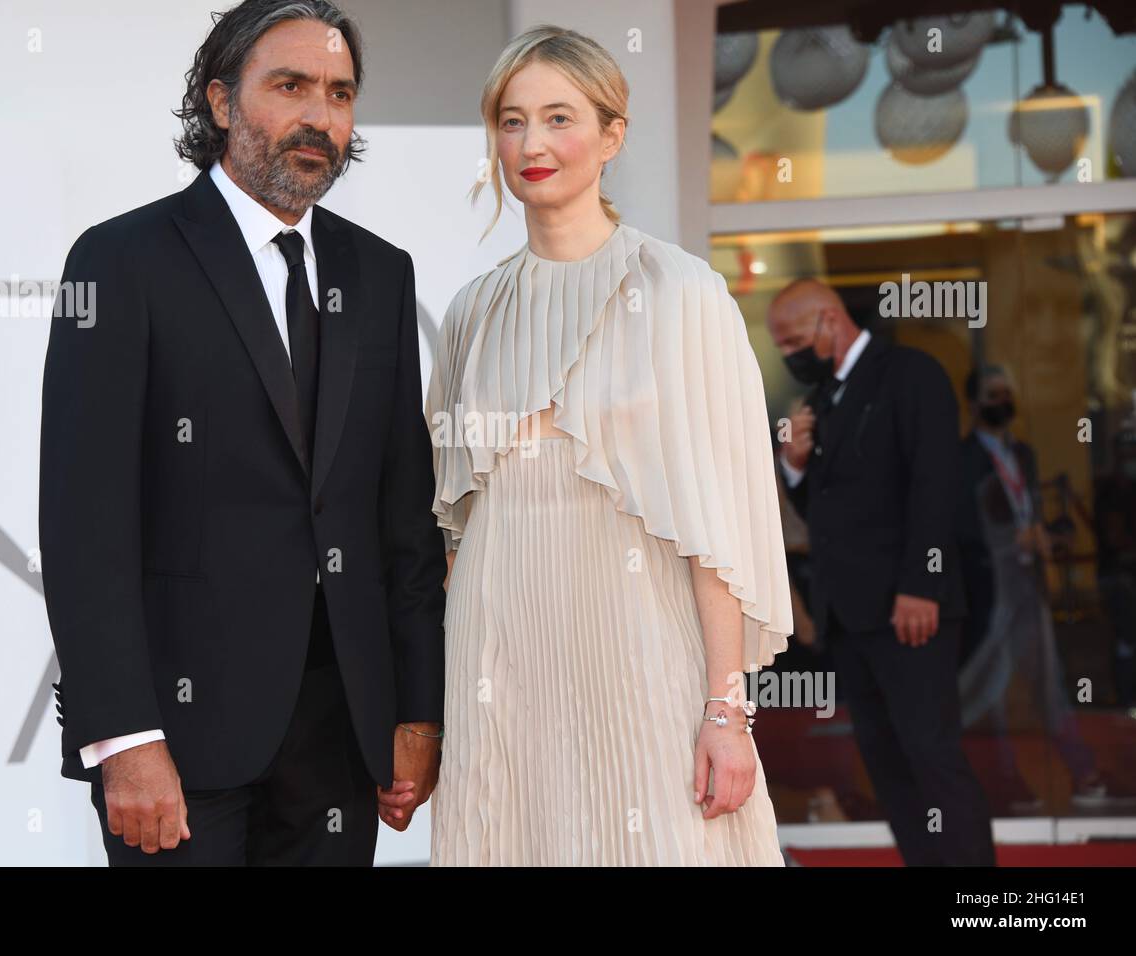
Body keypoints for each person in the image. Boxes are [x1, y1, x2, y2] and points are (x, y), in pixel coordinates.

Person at [39, 0, 445, 865]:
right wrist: (124, 738)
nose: (319, 116)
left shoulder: (380, 273)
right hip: (179, 742)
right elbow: (83, 526)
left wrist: (416, 707)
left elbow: (401, 516)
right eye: (290, 86)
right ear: (221, 103)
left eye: (340, 94)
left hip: (341, 738)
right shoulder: (120, 263)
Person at [425, 26, 793, 866]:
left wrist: (725, 713)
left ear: (612, 133)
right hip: (499, 654)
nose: (533, 143)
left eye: (560, 118)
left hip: (641, 649)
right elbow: (448, 533)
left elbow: (721, 531)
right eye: (512, 121)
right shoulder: (471, 313)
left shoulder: (681, 294)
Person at [767, 277, 995, 866]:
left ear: (829, 321)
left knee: (933, 755)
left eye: (792, 340)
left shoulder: (910, 373)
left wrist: (922, 585)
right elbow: (826, 511)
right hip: (851, 616)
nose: (789, 355)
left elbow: (935, 485)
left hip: (910, 609)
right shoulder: (820, 402)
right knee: (887, 764)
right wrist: (793, 465)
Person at [957, 365, 1114, 812]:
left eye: (1008, 391)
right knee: (991, 692)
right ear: (973, 403)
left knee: (1047, 685)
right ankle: (1005, 781)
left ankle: (1078, 771)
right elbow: (960, 528)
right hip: (990, 592)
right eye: (993, 393)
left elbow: (1028, 510)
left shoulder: (1022, 453)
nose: (1003, 399)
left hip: (1028, 587)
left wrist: (1043, 535)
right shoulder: (962, 458)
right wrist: (1013, 540)